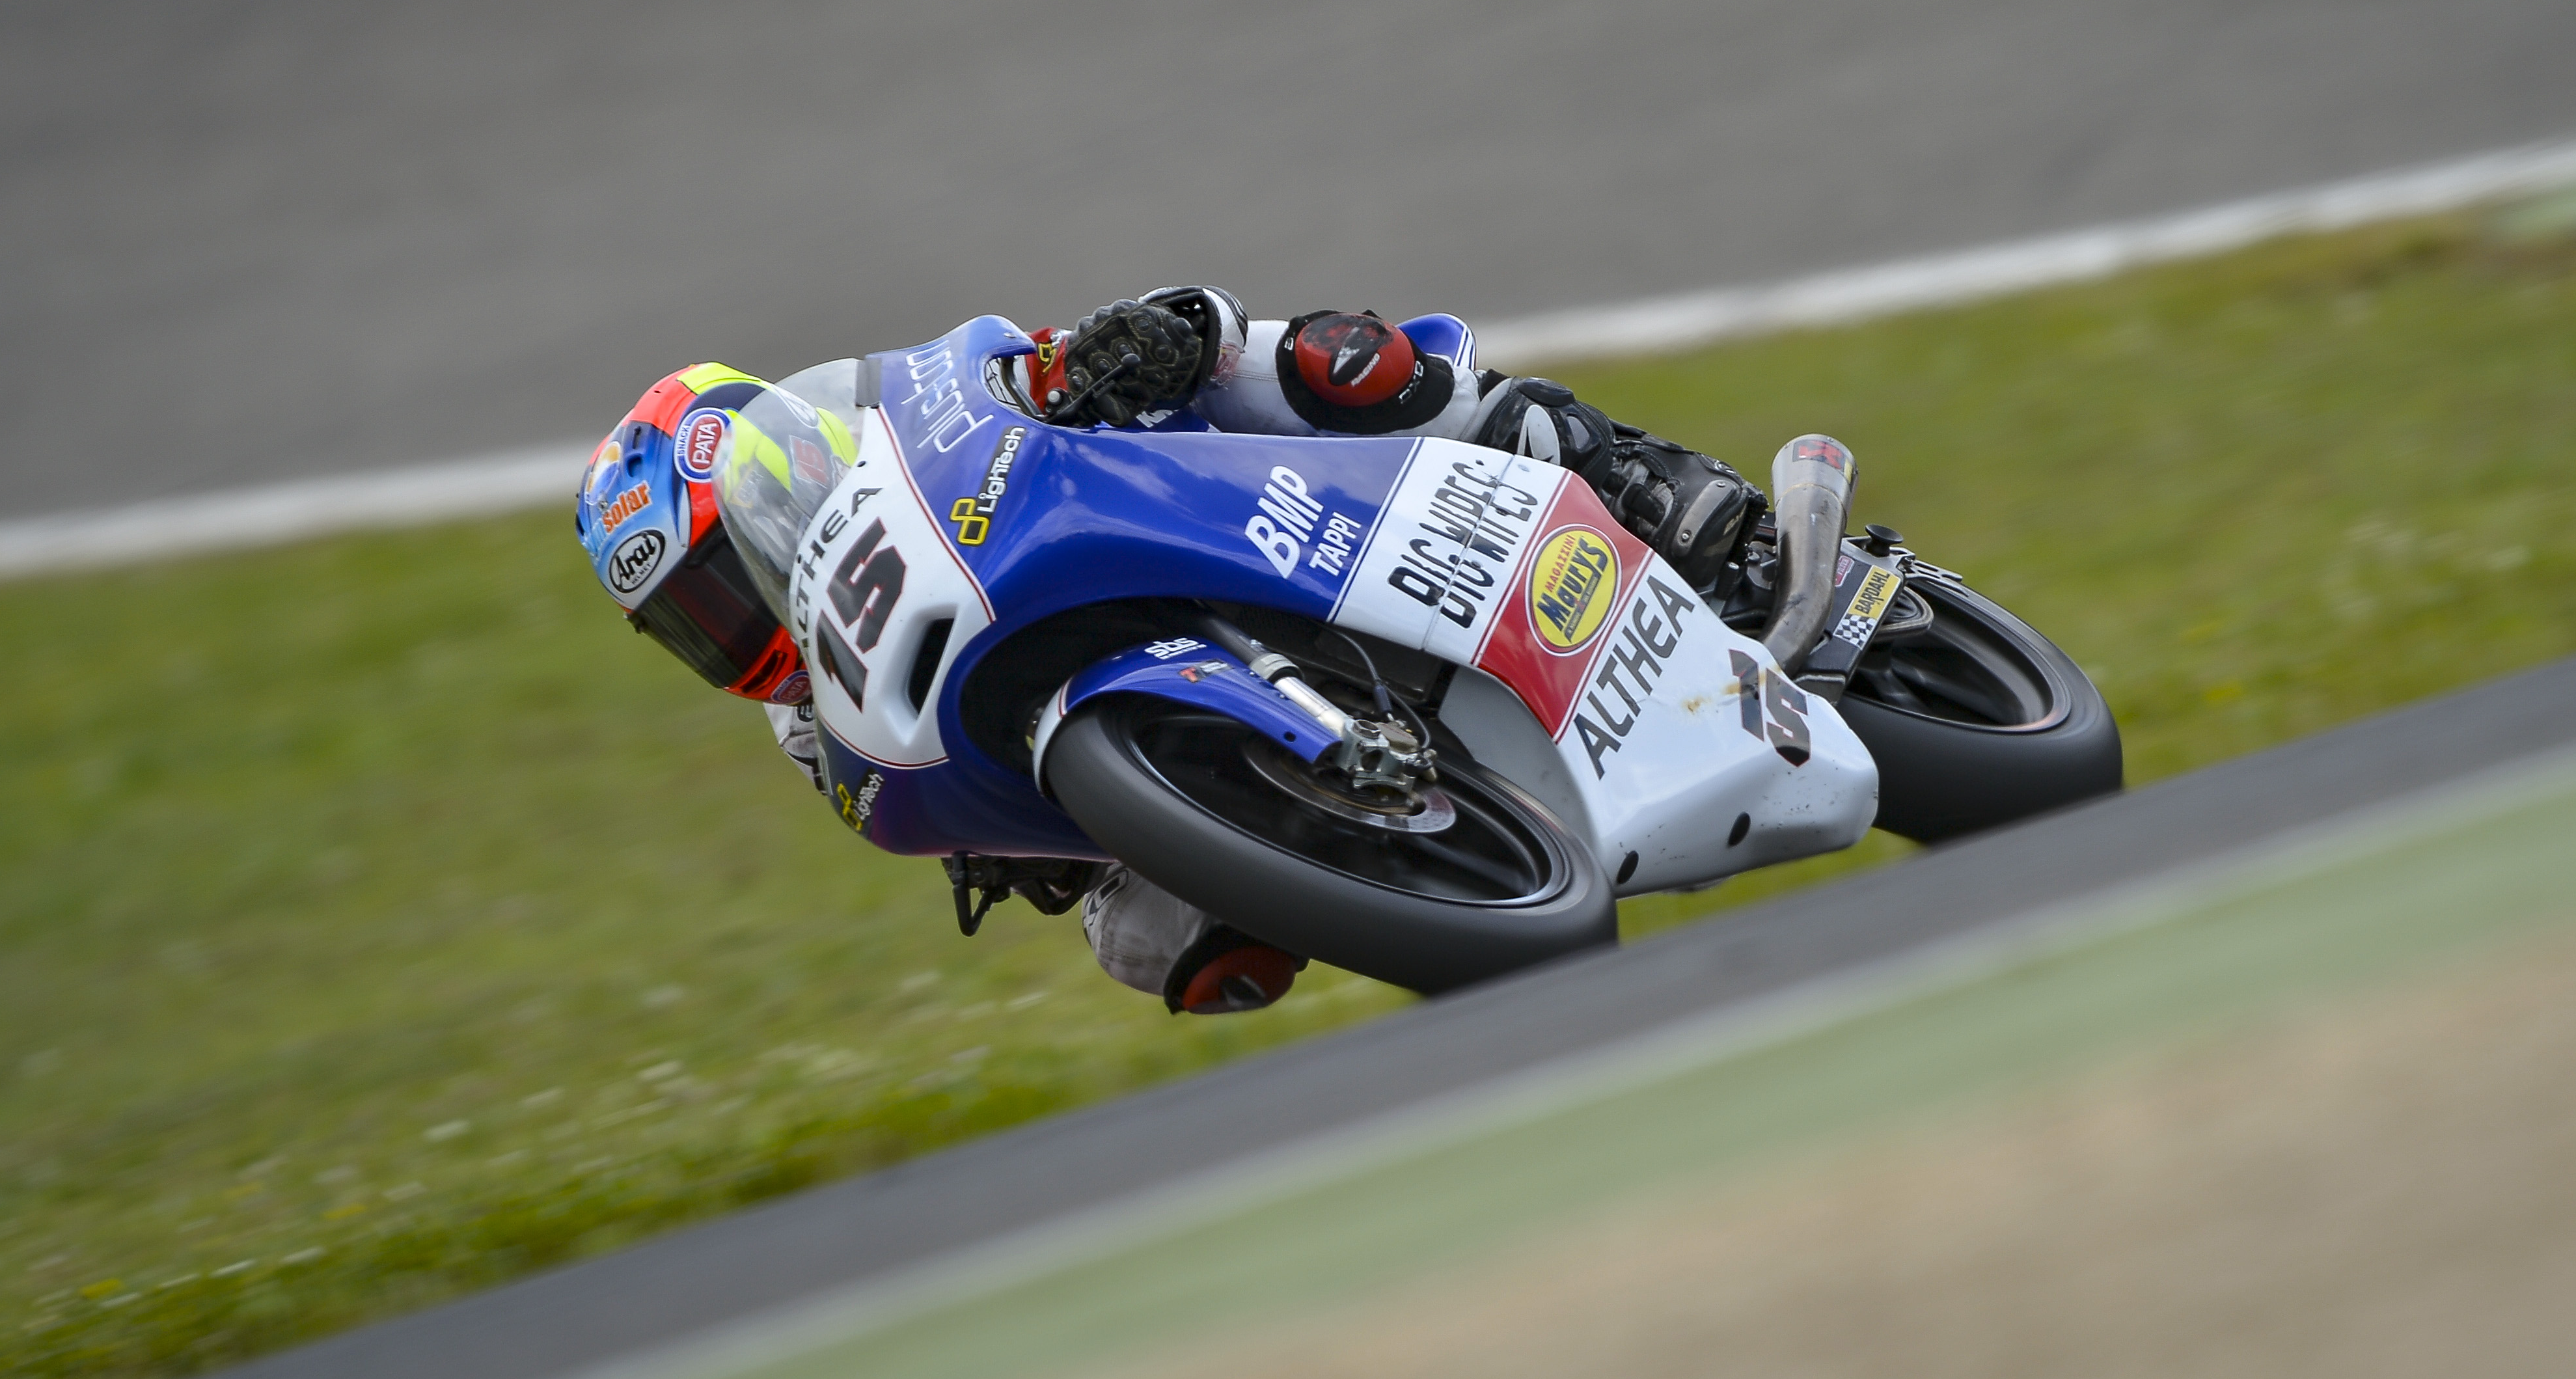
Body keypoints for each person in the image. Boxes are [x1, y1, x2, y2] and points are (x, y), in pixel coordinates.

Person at [575, 290, 1762, 1016]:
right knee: (1156, 949)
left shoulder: (888, 417)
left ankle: (1632, 479)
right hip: (1093, 693)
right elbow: (947, 812)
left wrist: (1134, 345)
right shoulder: (811, 719)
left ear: (776, 477)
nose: (732, 629)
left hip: (1164, 494)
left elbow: (1011, 369)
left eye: (722, 584)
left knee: (1330, 362)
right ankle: (1366, 836)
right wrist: (1010, 857)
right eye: (695, 628)